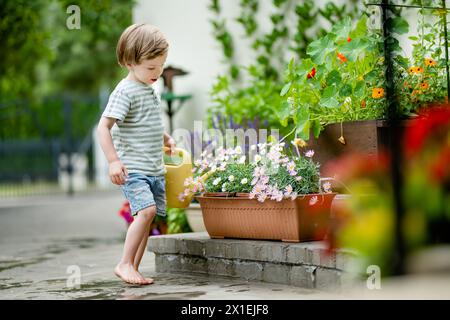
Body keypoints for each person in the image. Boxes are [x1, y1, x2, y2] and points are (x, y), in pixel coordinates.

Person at [97, 23, 176, 285]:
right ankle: (124, 263)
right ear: (130, 62)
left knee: (149, 215)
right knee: (146, 211)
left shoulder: (148, 88)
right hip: (134, 169)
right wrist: (113, 161)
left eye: (161, 66)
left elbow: (148, 122)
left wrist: (165, 138)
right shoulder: (125, 91)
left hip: (153, 168)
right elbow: (104, 127)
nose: (158, 73)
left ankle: (133, 267)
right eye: (151, 68)